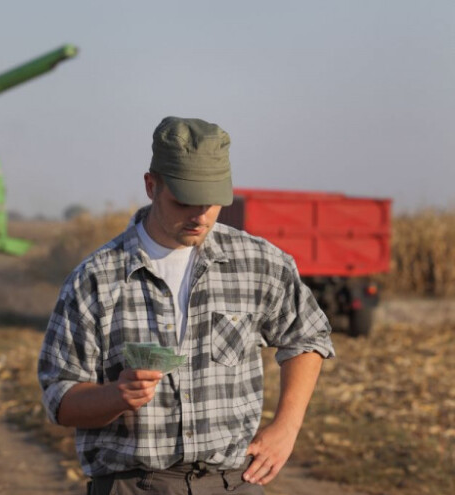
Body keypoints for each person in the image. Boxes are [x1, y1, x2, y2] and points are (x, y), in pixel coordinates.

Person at [37, 117, 335, 495]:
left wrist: (287, 427)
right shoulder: (94, 279)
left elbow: (308, 335)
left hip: (234, 483)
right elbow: (59, 398)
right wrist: (116, 396)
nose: (199, 216)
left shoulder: (260, 263)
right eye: (183, 201)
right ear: (151, 185)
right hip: (135, 485)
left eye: (210, 203)